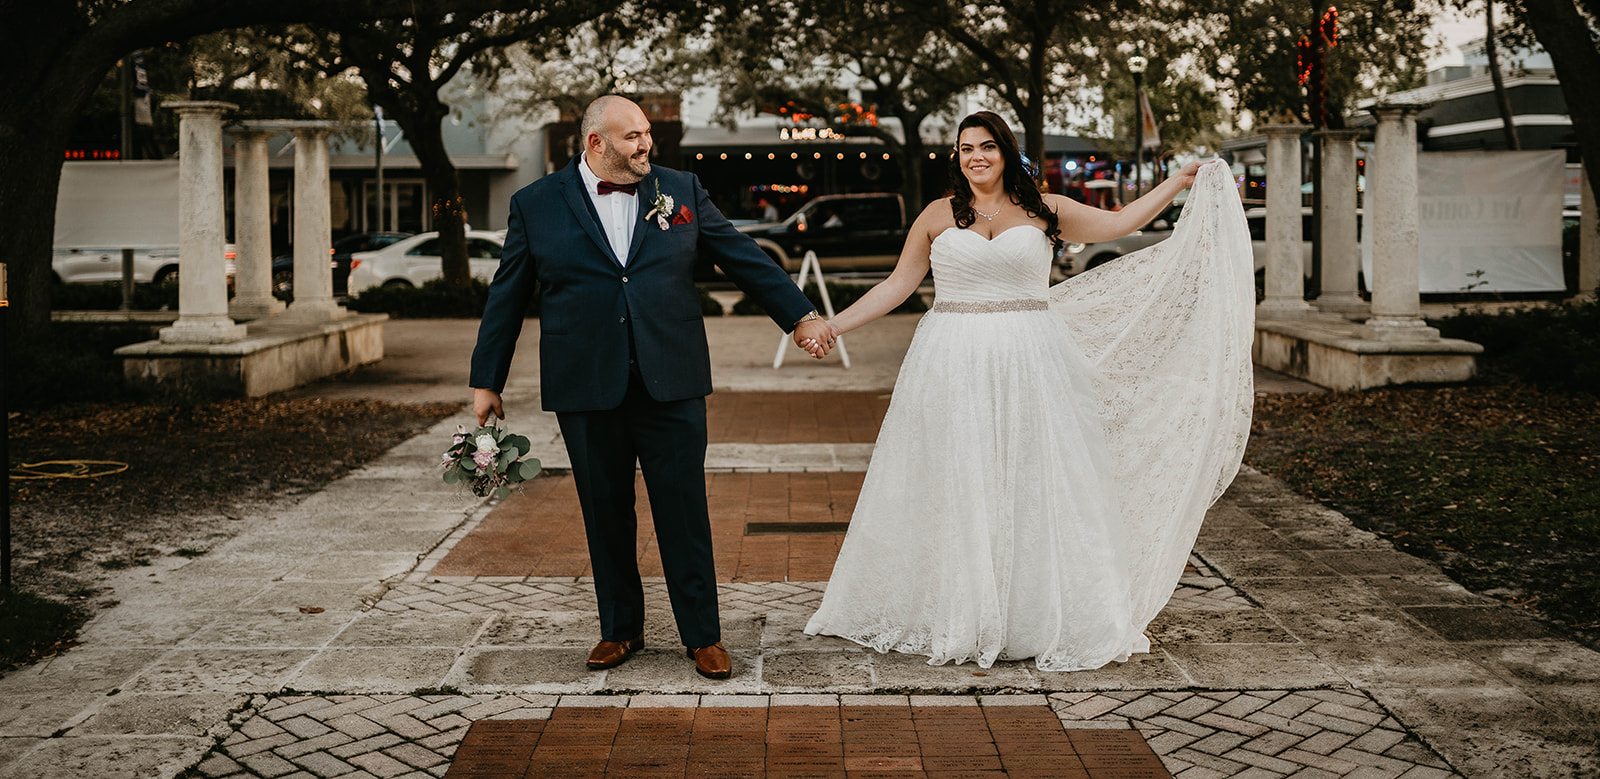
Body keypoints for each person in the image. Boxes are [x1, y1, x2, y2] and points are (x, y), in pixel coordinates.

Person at [800, 110, 1254, 671]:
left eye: (987, 147)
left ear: (1005, 151)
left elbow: (1119, 224)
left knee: (1032, 478)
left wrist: (1178, 182)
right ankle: (961, 606)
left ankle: (1029, 612)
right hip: (952, 359)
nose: (975, 157)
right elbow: (897, 285)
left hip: (1032, 359)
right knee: (959, 477)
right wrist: (832, 325)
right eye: (966, 148)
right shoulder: (937, 215)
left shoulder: (1045, 209)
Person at [469, 95, 835, 680]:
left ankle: (703, 637)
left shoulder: (681, 190)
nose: (646, 146)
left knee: (683, 509)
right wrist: (487, 381)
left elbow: (741, 256)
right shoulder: (534, 204)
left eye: (646, 135)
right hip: (585, 384)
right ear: (596, 144)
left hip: (673, 378)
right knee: (605, 512)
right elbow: (506, 297)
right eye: (633, 136)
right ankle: (621, 631)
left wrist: (800, 316)